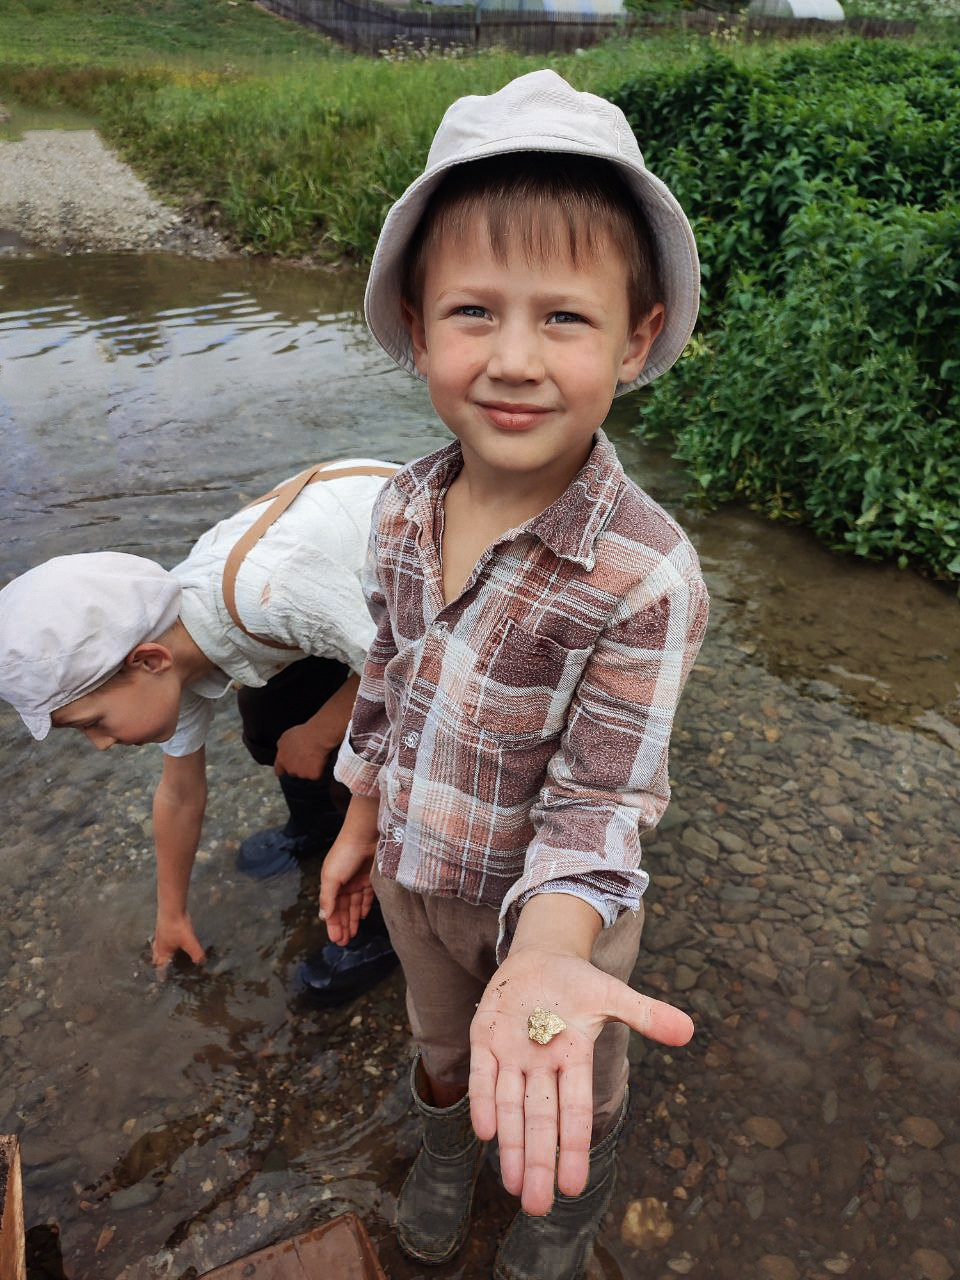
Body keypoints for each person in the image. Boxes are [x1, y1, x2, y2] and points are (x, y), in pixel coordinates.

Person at [318, 71, 710, 1280]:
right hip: (413, 873)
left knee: (564, 1064)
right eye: (475, 312)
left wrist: (549, 952)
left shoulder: (645, 576)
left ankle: (560, 1211)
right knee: (439, 1042)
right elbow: (387, 674)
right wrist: (357, 816)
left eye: (566, 318)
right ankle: (444, 1150)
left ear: (638, 336)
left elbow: (600, 803)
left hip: (559, 916)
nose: (515, 359)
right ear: (419, 325)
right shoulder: (397, 506)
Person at [0, 459, 400, 1006]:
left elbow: (410, 674)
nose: (100, 743)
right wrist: (172, 914)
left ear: (148, 660)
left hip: (420, 597)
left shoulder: (276, 592)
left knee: (363, 769)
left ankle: (380, 930)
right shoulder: (172, 645)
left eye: (93, 723)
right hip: (355, 618)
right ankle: (315, 827)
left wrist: (323, 733)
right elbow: (180, 794)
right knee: (267, 717)